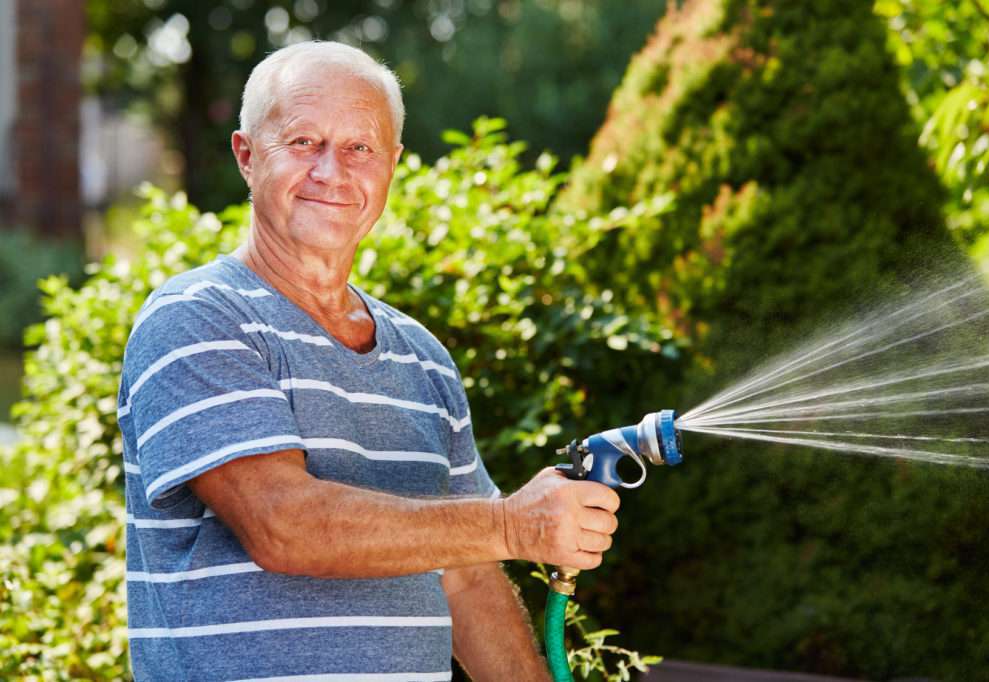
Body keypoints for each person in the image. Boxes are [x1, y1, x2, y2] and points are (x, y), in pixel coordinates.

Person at [118, 41, 620, 681]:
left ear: (392, 166)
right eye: (303, 142)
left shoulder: (423, 358)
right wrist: (511, 525)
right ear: (246, 155)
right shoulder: (196, 318)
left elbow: (467, 579)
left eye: (360, 147)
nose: (332, 171)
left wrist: (502, 537)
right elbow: (283, 525)